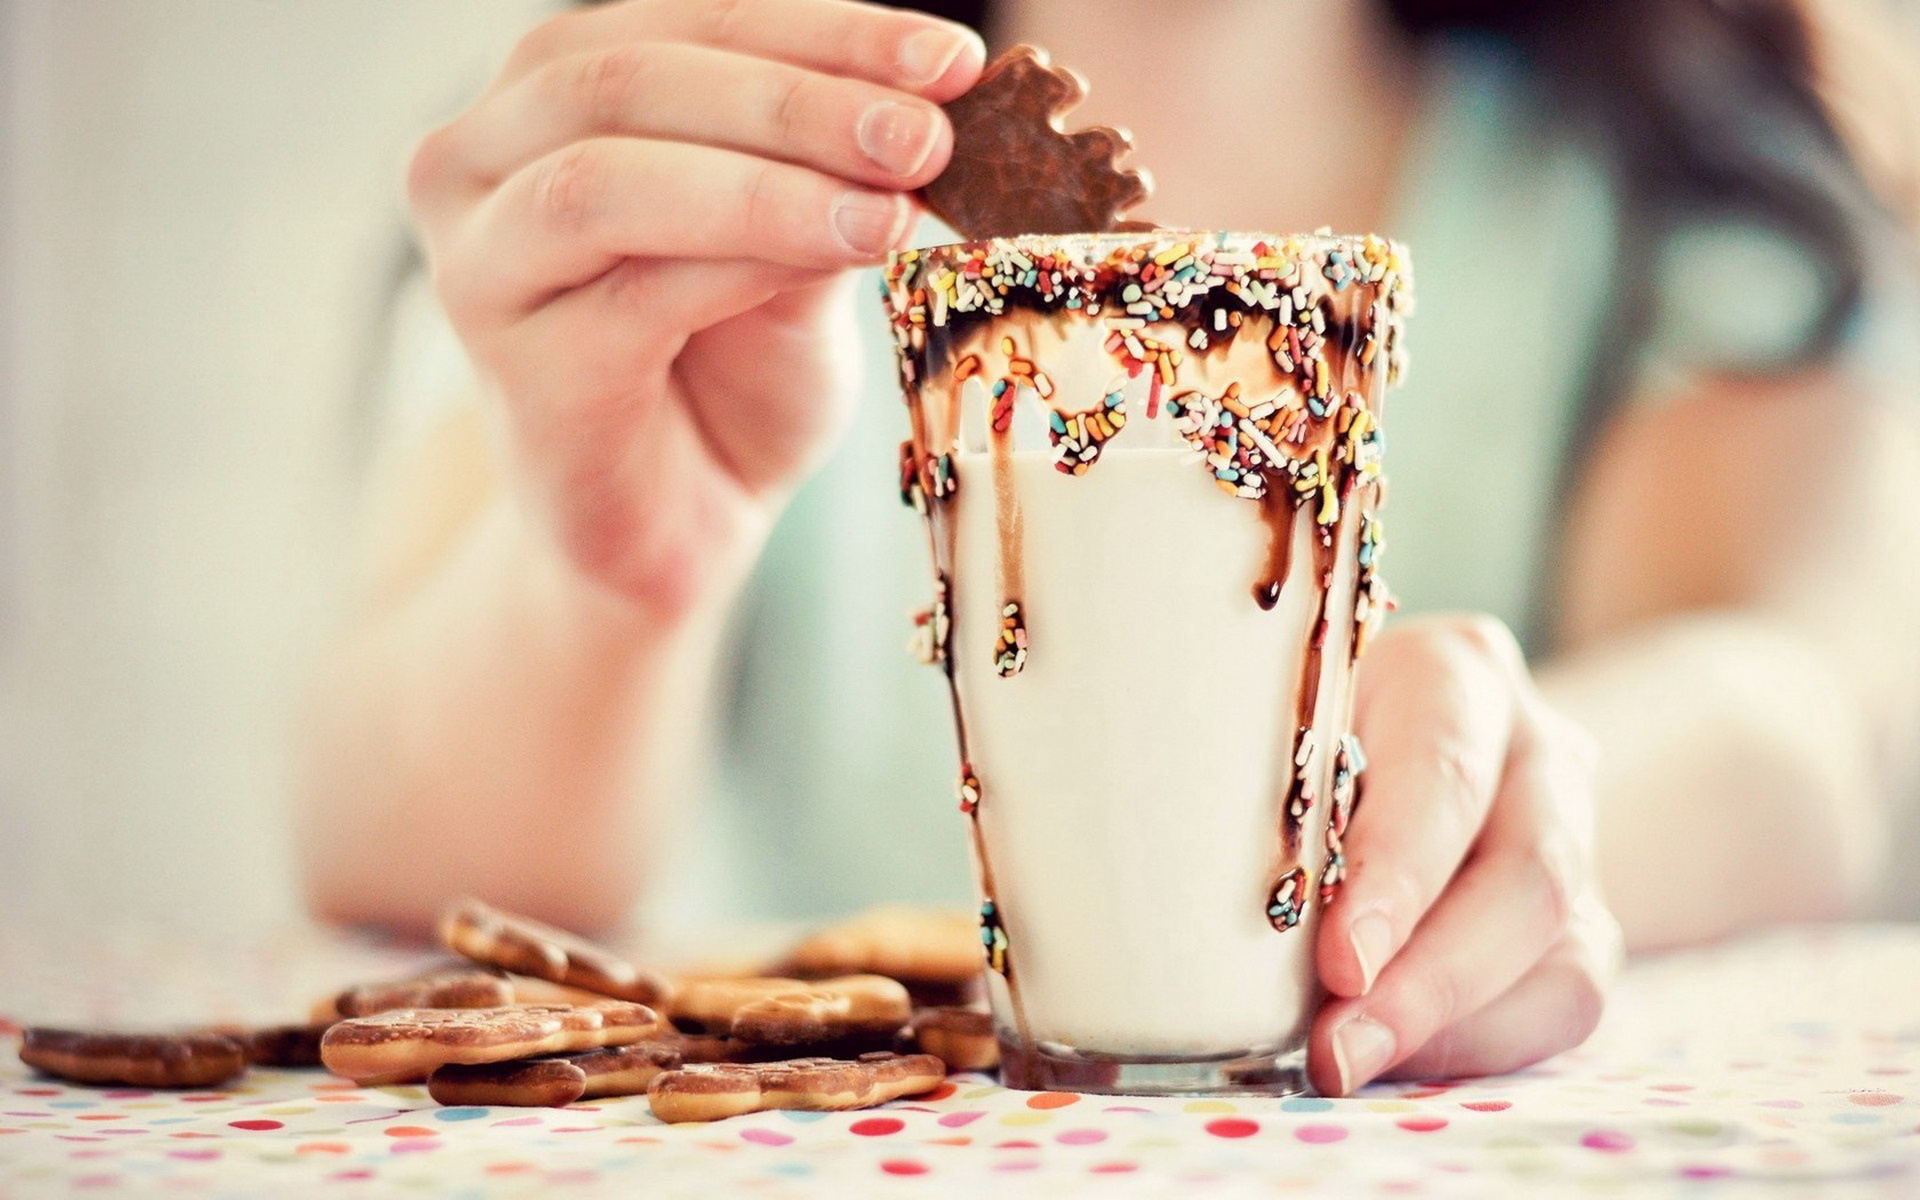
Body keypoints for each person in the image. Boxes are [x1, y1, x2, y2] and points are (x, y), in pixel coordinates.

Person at [296, 0, 1920, 1097]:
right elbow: (405, 863)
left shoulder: (1677, 191)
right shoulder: (692, 163)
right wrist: (615, 575)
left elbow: (1806, 723)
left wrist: (1524, 783)